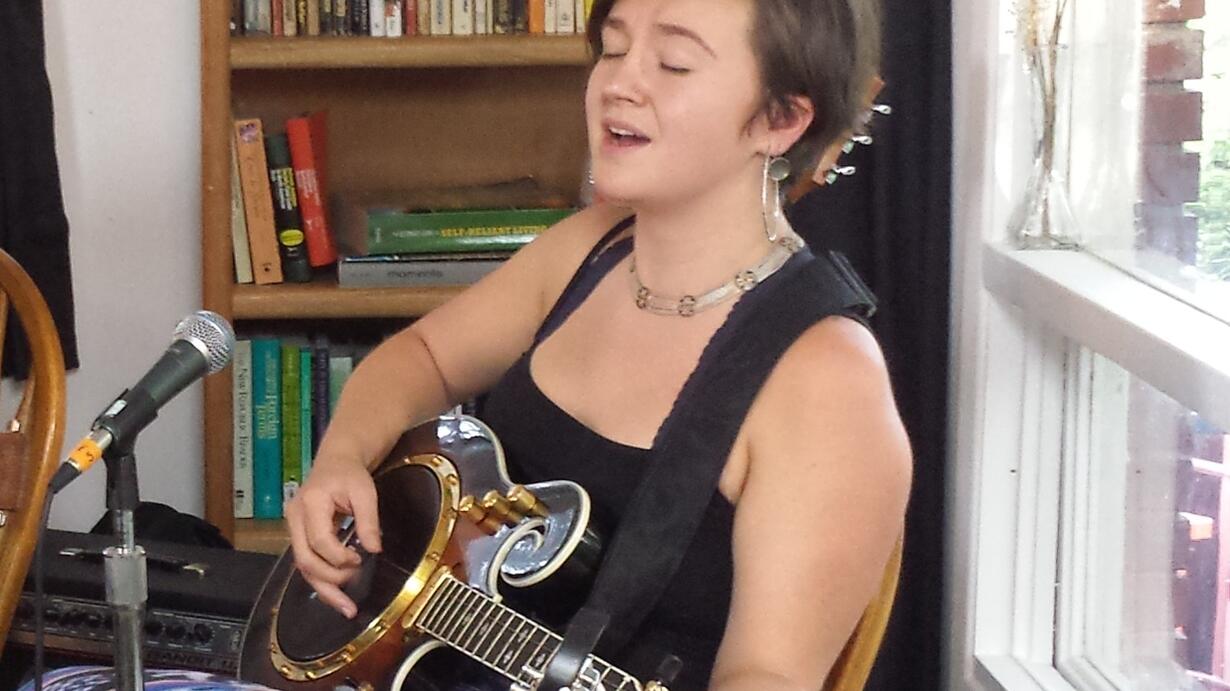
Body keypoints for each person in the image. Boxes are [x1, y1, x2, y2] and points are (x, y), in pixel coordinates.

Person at [286, 0, 912, 689]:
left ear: (781, 120)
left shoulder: (828, 382)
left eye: (673, 62)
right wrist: (342, 459)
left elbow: (767, 675)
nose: (619, 83)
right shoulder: (592, 248)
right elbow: (423, 357)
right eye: (613, 50)